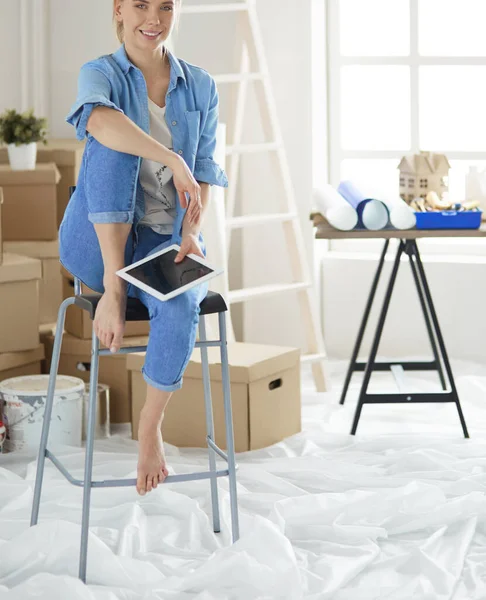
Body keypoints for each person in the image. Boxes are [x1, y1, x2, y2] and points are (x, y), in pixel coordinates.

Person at [59, 0, 228, 496]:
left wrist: (192, 233)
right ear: (118, 10)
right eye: (140, 5)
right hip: (94, 238)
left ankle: (149, 428)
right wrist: (168, 155)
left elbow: (204, 171)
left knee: (181, 304)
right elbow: (99, 125)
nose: (152, 18)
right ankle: (112, 286)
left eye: (165, 6)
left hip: (162, 237)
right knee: (111, 139)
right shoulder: (101, 73)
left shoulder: (199, 85)